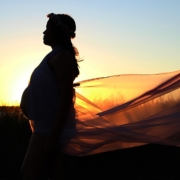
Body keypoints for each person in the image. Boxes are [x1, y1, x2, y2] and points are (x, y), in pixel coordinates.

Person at [21, 13, 79, 180]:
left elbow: (66, 96)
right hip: (45, 127)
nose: (44, 32)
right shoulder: (54, 55)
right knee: (52, 174)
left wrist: (54, 134)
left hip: (49, 129)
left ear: (58, 33)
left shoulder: (61, 57)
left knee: (29, 172)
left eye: (48, 29)